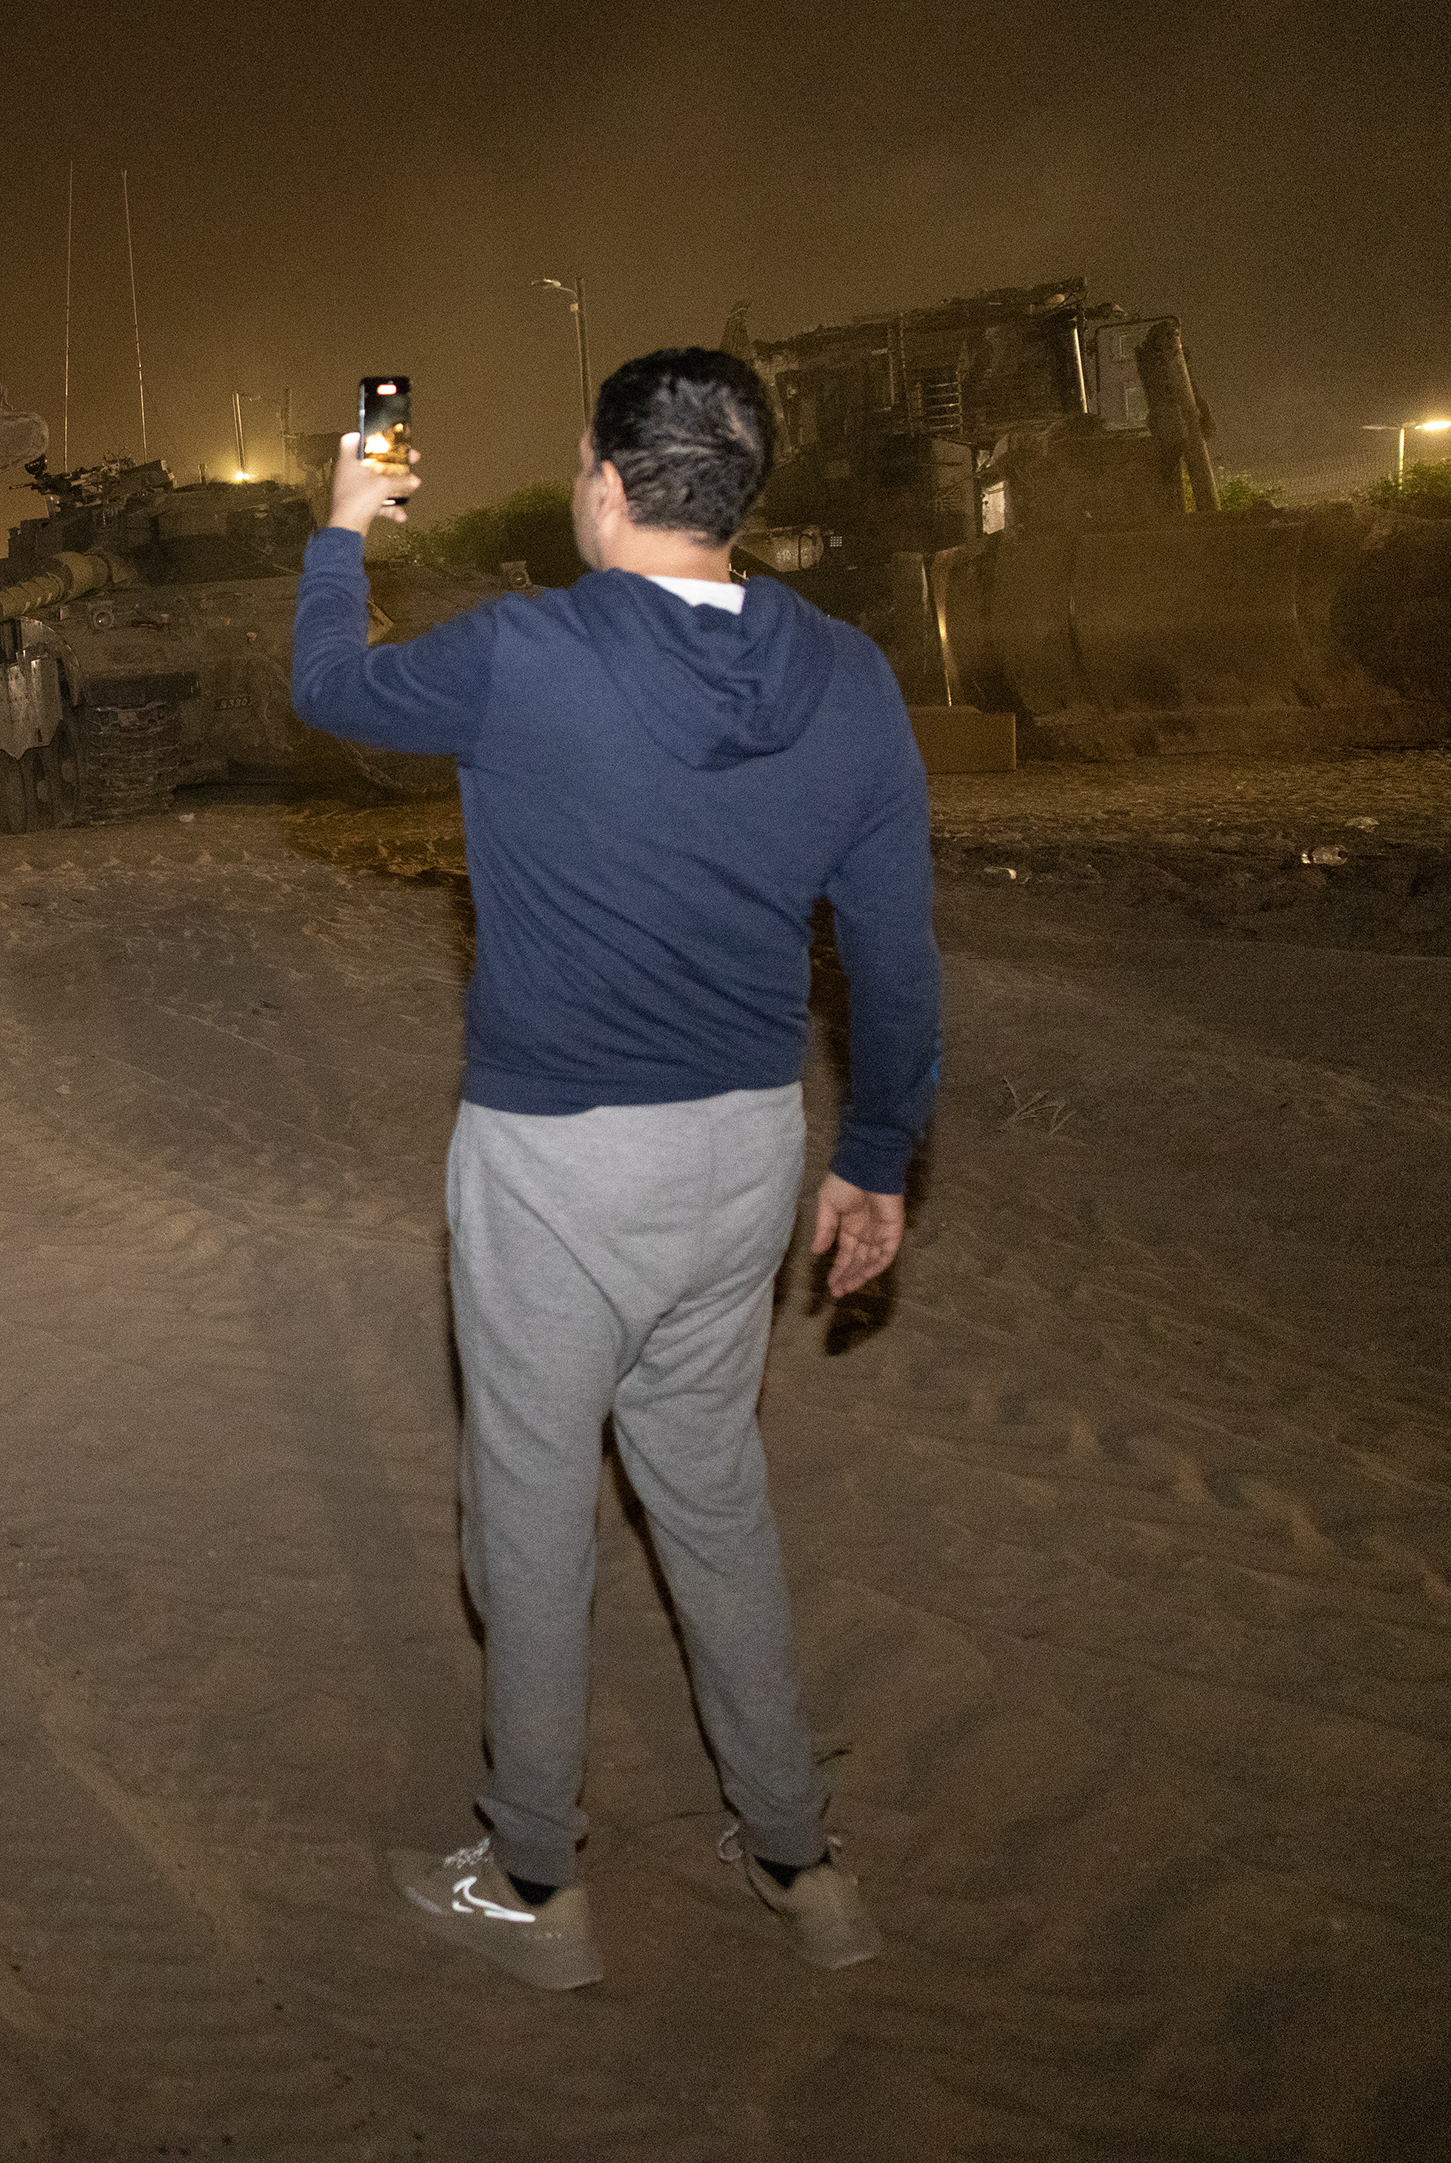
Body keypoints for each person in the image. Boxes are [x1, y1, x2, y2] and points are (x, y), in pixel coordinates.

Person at [290, 348, 937, 1990]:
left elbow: (330, 689)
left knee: (529, 1512)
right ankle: (799, 1862)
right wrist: (874, 1157)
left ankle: (533, 1879)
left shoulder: (527, 651)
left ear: (603, 481)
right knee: (711, 1495)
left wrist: (344, 525)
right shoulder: (849, 674)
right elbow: (895, 956)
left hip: (560, 1158)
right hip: (747, 1151)